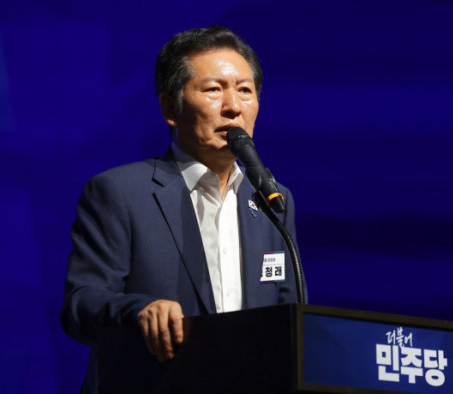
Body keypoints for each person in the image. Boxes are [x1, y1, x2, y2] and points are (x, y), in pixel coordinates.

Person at [61, 26, 304, 392]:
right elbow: (80, 306)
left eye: (245, 90)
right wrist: (138, 311)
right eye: (214, 89)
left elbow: (290, 319)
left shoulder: (272, 199)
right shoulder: (121, 192)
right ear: (170, 108)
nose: (233, 106)